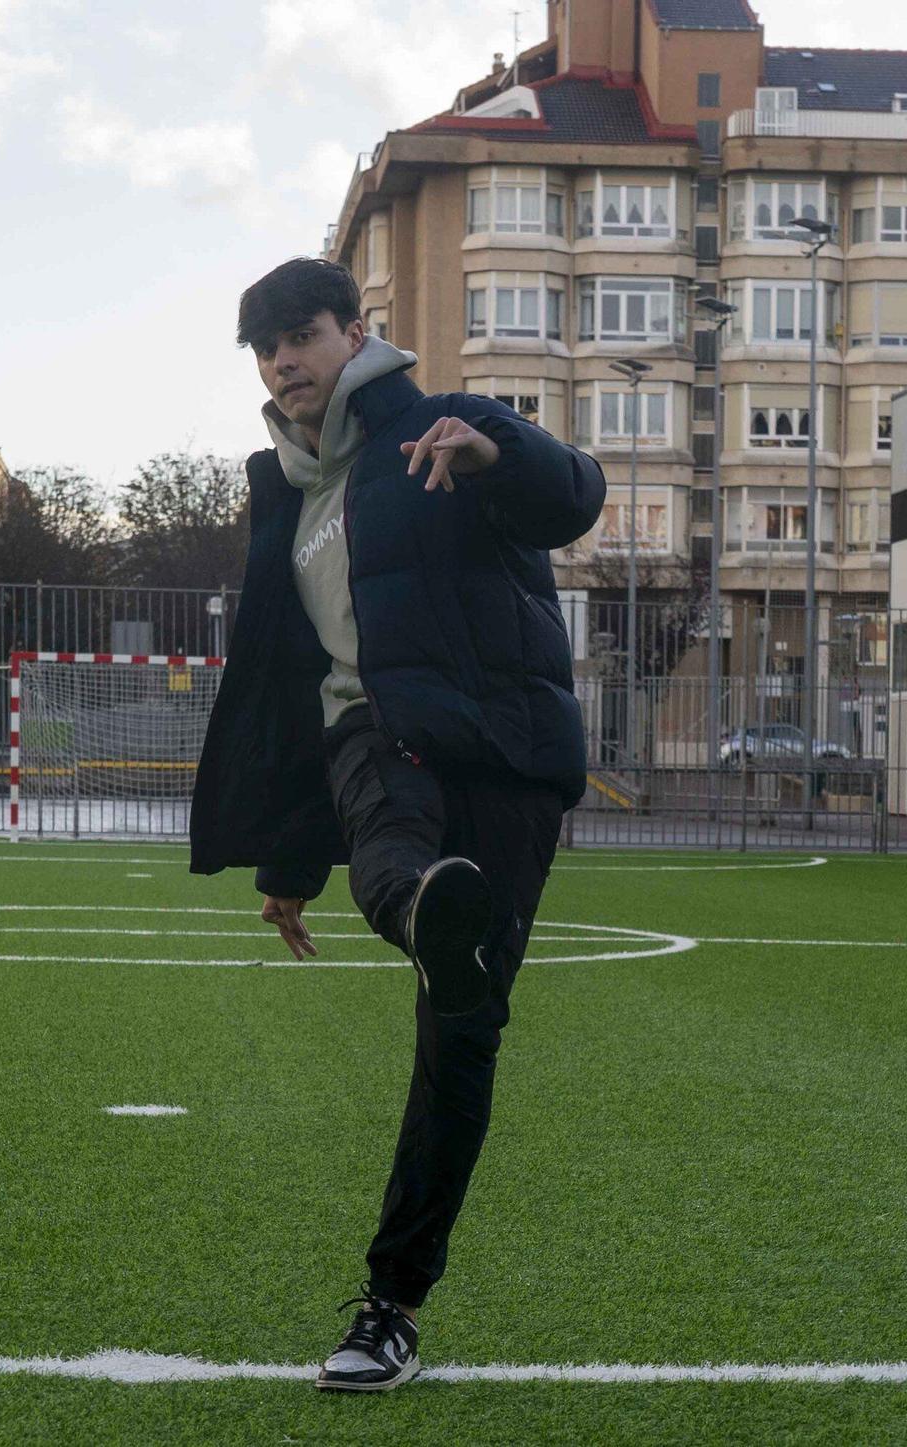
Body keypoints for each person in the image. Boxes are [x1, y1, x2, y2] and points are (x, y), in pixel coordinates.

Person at [188, 257, 605, 1391]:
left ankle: (390, 1307)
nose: (282, 361)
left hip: (509, 755)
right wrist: (285, 857)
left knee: (460, 1035)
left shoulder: (445, 427)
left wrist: (496, 451)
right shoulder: (284, 496)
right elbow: (285, 683)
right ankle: (424, 905)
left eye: (301, 335)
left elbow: (575, 496)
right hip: (378, 730)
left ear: (354, 331)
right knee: (393, 856)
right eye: (264, 347)